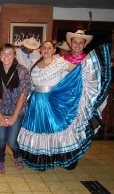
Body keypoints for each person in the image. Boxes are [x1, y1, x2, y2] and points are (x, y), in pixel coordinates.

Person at [18, 41, 111, 171]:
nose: (46, 50)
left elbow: (80, 71)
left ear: (54, 50)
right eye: (44, 48)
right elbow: (31, 85)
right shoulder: (35, 65)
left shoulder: (60, 63)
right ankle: (42, 160)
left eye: (49, 48)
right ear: (40, 50)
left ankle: (66, 159)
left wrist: (94, 66)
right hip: (36, 104)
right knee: (39, 131)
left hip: (54, 103)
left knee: (57, 130)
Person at [0, 43, 31, 174]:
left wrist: (14, 116)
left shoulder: (22, 70)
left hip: (18, 110)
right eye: (3, 53)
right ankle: (1, 161)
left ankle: (17, 156)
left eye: (10, 53)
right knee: (0, 140)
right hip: (1, 109)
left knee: (11, 140)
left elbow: (23, 94)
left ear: (14, 55)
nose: (6, 56)